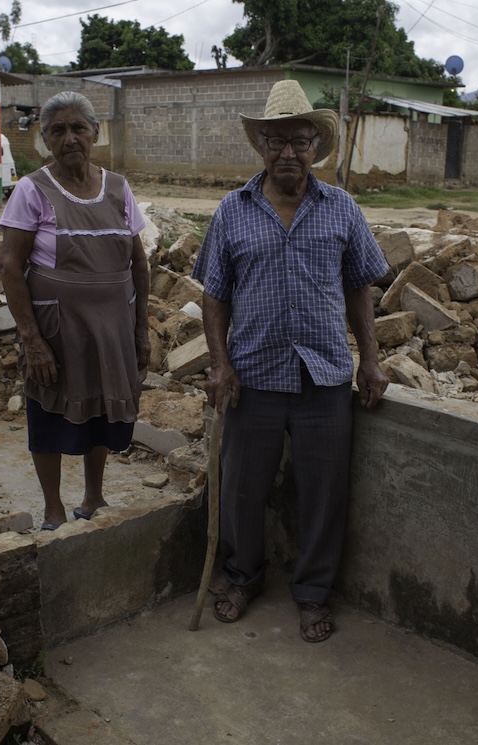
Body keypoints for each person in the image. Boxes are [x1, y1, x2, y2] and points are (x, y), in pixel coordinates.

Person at [191, 80, 390, 643]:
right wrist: (219, 364)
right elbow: (214, 296)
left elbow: (359, 288)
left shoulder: (341, 208)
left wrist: (370, 360)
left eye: (299, 141)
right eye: (276, 141)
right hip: (253, 375)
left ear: (314, 148)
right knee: (241, 488)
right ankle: (241, 577)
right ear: (261, 147)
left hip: (323, 374)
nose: (287, 152)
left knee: (324, 493)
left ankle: (313, 592)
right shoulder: (232, 211)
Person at [0, 91, 150, 531]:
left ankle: (93, 496)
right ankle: (53, 507)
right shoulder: (32, 190)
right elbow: (11, 267)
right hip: (57, 328)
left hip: (112, 327)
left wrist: (141, 329)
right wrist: (32, 339)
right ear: (45, 138)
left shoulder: (118, 187)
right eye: (57, 130)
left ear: (95, 133)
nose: (69, 139)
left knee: (100, 410)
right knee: (47, 411)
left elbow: (138, 262)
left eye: (78, 128)